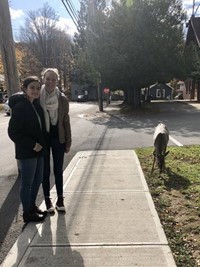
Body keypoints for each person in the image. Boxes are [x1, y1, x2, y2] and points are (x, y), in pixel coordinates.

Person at [8, 76, 47, 223]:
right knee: (27, 184)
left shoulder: (36, 105)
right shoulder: (20, 107)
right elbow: (13, 133)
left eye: (38, 88)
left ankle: (32, 207)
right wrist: (32, 144)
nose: (35, 90)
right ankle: (26, 213)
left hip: (40, 151)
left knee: (37, 181)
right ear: (25, 89)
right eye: (32, 87)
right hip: (28, 152)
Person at [40, 68, 72, 213]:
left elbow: (66, 121)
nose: (50, 82)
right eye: (48, 78)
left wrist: (68, 141)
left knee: (58, 170)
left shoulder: (62, 99)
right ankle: (47, 199)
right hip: (43, 138)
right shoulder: (37, 97)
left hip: (59, 138)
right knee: (45, 171)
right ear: (43, 79)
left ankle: (60, 199)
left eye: (53, 79)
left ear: (57, 81)